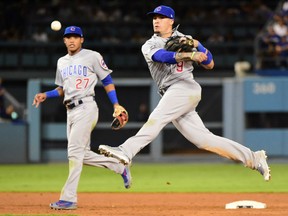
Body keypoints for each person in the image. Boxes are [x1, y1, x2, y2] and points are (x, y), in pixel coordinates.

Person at [99, 5, 271, 182]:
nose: (156, 21)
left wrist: (198, 45)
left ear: (171, 21)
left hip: (184, 87)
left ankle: (126, 151)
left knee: (157, 118)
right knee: (204, 140)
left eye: (161, 17)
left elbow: (210, 64)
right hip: (173, 93)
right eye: (154, 18)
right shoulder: (150, 44)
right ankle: (253, 158)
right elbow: (162, 57)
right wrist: (189, 55)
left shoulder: (185, 39)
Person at [32, 26, 131, 210]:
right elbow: (62, 89)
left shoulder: (92, 56)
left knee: (74, 153)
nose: (72, 40)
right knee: (82, 154)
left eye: (75, 37)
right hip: (70, 110)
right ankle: (119, 167)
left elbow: (107, 80)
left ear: (82, 39)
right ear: (64, 40)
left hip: (86, 107)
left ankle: (68, 198)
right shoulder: (61, 62)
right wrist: (46, 94)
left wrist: (116, 104)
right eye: (68, 37)